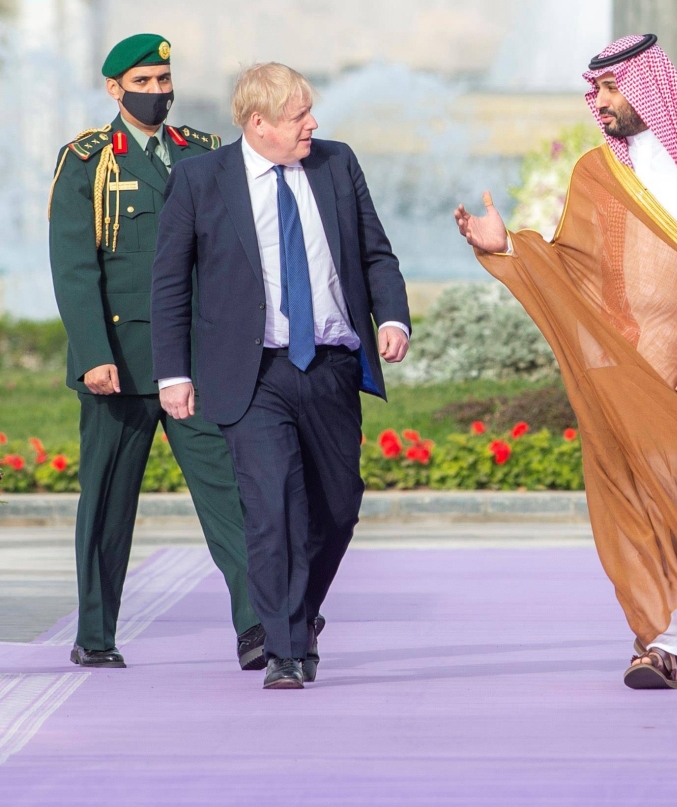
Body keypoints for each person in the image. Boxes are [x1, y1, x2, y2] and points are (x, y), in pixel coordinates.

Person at [454, 34, 677, 689]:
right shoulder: (596, 172)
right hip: (628, 371)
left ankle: (670, 641)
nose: (599, 103)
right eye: (595, 91)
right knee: (640, 501)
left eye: (611, 89)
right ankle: (666, 643)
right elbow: (575, 269)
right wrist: (507, 246)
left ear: (650, 87)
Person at [151, 62, 411, 689]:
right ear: (257, 123)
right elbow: (169, 283)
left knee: (338, 507)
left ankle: (298, 611)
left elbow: (376, 253)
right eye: (299, 116)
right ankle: (286, 649)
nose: (312, 125)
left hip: (330, 365)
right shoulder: (201, 179)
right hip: (253, 374)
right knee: (273, 508)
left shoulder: (336, 164)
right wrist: (172, 373)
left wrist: (392, 317)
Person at [48, 34, 265, 671]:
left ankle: (257, 626)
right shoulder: (89, 160)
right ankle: (95, 634)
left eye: (163, 80)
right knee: (108, 502)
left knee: (229, 497)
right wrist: (94, 353)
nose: (157, 92)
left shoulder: (200, 152)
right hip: (120, 361)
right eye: (142, 82)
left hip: (194, 363)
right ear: (114, 89)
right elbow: (75, 268)